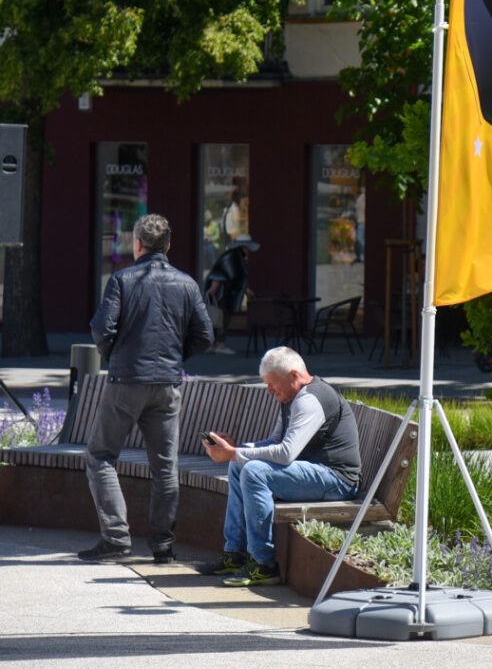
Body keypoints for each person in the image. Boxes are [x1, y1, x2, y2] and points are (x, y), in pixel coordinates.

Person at [78, 214, 214, 563]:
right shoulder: (186, 283)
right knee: (165, 467)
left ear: (137, 244)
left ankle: (116, 539)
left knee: (100, 456)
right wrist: (174, 355)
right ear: (168, 245)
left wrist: (116, 355)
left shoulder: (122, 280)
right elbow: (205, 336)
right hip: (168, 383)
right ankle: (163, 546)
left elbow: (101, 330)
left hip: (126, 381)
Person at [199, 346, 361, 585]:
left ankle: (264, 564)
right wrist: (237, 449)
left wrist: (234, 453)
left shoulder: (310, 400)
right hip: (312, 473)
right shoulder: (292, 396)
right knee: (240, 465)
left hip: (337, 480)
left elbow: (286, 453)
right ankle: (236, 553)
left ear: (294, 375)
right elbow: (275, 441)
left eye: (272, 384)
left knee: (253, 471)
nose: (269, 391)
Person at [204, 235, 260, 356]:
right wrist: (212, 291)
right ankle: (219, 344)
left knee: (218, 318)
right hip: (222, 294)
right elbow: (220, 274)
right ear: (244, 247)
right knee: (221, 318)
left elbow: (237, 279)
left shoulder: (237, 257)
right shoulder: (232, 257)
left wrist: (246, 291)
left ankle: (213, 344)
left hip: (227, 294)